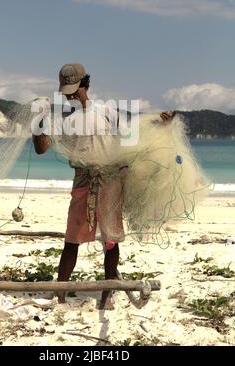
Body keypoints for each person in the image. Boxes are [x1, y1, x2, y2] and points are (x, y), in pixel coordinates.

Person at [32, 63, 174, 309]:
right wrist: (38, 120)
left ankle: (108, 292)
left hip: (110, 182)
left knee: (111, 239)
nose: (72, 95)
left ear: (86, 85)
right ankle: (61, 292)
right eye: (67, 92)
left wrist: (160, 126)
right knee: (71, 239)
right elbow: (41, 148)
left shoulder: (108, 112)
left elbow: (133, 139)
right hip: (83, 182)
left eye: (75, 89)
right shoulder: (66, 121)